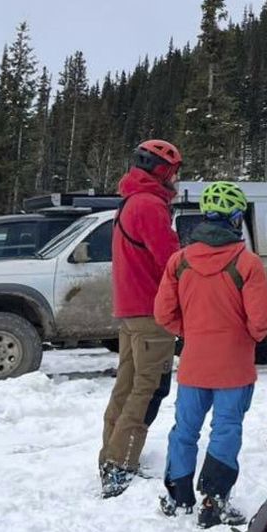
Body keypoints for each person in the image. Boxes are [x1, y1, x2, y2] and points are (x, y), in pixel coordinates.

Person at [155, 181, 267, 528]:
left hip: (194, 363)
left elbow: (163, 313)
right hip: (234, 367)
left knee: (184, 430)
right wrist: (242, 338)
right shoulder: (247, 263)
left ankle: (179, 498)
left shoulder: (179, 261)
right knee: (226, 429)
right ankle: (214, 501)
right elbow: (260, 323)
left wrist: (190, 332)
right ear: (236, 219)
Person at [99, 139, 183, 498]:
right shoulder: (149, 205)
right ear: (162, 172)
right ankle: (120, 464)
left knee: (128, 384)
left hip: (132, 310)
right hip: (151, 311)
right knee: (147, 389)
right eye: (174, 172)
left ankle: (111, 453)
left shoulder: (131, 201)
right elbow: (170, 259)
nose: (176, 180)